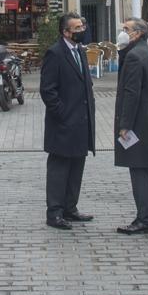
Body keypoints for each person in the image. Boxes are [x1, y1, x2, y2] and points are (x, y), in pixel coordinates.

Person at [40, 12, 95, 230]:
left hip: (81, 122)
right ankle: (54, 212)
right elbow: (48, 91)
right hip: (63, 124)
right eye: (77, 28)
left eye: (83, 26)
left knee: (76, 167)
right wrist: (62, 114)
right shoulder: (55, 53)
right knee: (59, 169)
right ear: (66, 32)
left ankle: (70, 208)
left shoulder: (79, 50)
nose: (82, 30)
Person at [114, 17, 148, 235]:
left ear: (138, 33)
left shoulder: (134, 56)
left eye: (127, 29)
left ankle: (145, 217)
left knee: (140, 169)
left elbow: (132, 93)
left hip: (139, 122)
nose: (123, 33)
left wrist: (125, 125)